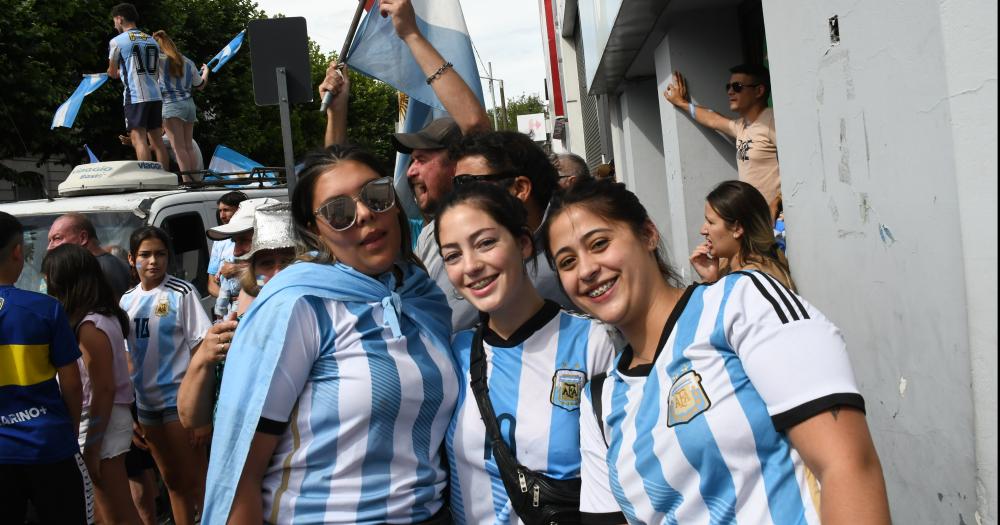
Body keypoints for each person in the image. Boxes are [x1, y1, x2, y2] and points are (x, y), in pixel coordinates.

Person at [541, 178, 891, 524]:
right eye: (568, 262)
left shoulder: (740, 302)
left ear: (648, 234)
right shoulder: (599, 402)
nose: (586, 270)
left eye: (600, 243)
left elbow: (847, 467)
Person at [203, 144, 458, 524]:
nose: (365, 213)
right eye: (337, 212)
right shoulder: (298, 305)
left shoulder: (420, 294)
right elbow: (240, 471)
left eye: (376, 195)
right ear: (312, 229)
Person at [435, 183, 616, 523]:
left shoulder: (594, 342)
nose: (471, 266)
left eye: (485, 243)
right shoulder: (453, 353)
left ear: (523, 243)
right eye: (453, 255)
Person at [318, 0, 491, 331]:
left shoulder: (486, 214)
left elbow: (475, 127)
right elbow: (336, 189)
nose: (410, 172)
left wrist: (411, 34)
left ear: (461, 165)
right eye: (410, 162)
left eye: (422, 160)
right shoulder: (422, 235)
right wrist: (337, 114)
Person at [0, 211, 91, 524]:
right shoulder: (45, 308)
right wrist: (69, 428)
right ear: (17, 252)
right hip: (48, 446)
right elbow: (72, 383)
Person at [42, 244, 142, 525]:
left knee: (116, 512)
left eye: (49, 277)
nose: (46, 283)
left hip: (103, 421)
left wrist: (93, 447)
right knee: (108, 509)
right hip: (105, 419)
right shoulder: (99, 317)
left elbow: (104, 388)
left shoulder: (89, 325)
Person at [120, 226, 212, 525]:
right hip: (147, 409)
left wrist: (199, 413)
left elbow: (203, 351)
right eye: (145, 255)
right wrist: (131, 413)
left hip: (179, 406)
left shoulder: (182, 293)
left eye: (160, 254)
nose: (153, 261)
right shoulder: (125, 302)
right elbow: (126, 359)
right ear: (132, 259)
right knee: (172, 482)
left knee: (198, 483)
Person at [177, 202, 295, 432]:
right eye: (266, 263)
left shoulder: (316, 316)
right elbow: (190, 418)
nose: (236, 251)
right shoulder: (247, 296)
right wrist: (204, 360)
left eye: (244, 241)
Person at [449, 130, 571, 311]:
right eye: (451, 256)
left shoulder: (567, 259)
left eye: (468, 184)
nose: (460, 200)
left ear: (520, 188)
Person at [663, 65, 782, 219]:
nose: (730, 91)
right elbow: (713, 120)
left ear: (759, 91)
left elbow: (800, 165)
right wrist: (681, 102)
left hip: (776, 223)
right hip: (754, 221)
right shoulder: (741, 126)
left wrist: (777, 202)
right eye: (728, 87)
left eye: (737, 87)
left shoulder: (771, 121)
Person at [690, 180, 796, 290]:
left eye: (711, 222)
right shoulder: (728, 266)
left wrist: (709, 284)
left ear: (738, 228)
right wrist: (710, 279)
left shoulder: (751, 282)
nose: (702, 230)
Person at [107, 3, 169, 166]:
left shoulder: (117, 42)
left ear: (120, 19)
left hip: (135, 96)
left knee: (138, 138)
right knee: (157, 142)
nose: (114, 25)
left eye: (114, 21)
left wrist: (115, 71)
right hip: (155, 95)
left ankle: (147, 178)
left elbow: (112, 72)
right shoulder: (151, 40)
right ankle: (166, 177)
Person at [206, 197, 281, 318]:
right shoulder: (252, 288)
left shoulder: (290, 290)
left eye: (244, 241)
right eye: (234, 242)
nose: (236, 252)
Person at [152, 30, 209, 176]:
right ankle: (196, 181)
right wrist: (206, 71)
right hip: (189, 105)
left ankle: (188, 182)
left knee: (178, 148)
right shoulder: (188, 61)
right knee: (188, 146)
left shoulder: (158, 60)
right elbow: (200, 85)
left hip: (171, 105)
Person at [48, 212, 132, 298]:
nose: (49, 247)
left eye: (57, 238)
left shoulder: (90, 271)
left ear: (83, 238)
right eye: (49, 241)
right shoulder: (119, 264)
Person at [206, 190, 248, 300]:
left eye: (226, 210)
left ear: (239, 210)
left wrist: (238, 269)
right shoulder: (219, 240)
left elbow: (265, 277)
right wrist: (227, 298)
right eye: (220, 211)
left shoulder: (257, 235)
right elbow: (211, 284)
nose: (222, 216)